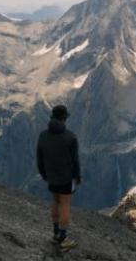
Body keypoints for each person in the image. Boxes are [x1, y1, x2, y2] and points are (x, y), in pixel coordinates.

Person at [37, 105, 81, 250]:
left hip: (51, 176)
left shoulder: (43, 135)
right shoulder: (70, 137)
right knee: (65, 205)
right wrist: (77, 177)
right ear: (64, 118)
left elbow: (40, 158)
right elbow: (75, 161)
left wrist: (44, 174)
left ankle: (55, 233)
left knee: (55, 202)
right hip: (66, 178)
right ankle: (63, 238)